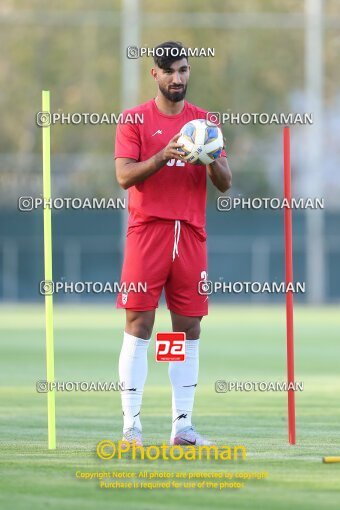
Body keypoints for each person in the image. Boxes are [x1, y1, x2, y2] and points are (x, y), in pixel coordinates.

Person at [114, 40, 232, 446]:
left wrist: (207, 154)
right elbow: (125, 177)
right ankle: (131, 426)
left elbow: (226, 183)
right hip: (148, 231)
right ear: (155, 75)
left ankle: (182, 425)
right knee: (139, 324)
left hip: (191, 234)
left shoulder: (205, 121)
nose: (177, 78)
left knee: (185, 329)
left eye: (183, 70)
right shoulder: (134, 120)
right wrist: (165, 154)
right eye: (169, 72)